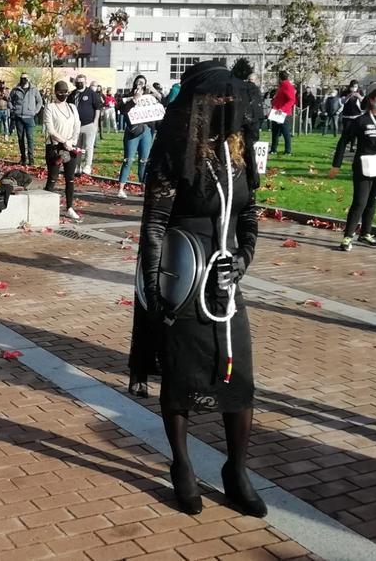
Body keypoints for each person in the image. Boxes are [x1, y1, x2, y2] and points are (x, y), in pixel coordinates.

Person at [128, 60, 264, 518]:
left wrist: (242, 260)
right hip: (184, 280)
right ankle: (182, 465)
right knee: (182, 378)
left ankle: (236, 469)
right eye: (221, 98)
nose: (230, 105)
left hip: (225, 280)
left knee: (237, 376)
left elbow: (249, 215)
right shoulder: (173, 148)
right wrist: (155, 293)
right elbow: (154, 224)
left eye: (234, 98)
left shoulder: (238, 149)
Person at [329, 83, 376, 251]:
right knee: (360, 202)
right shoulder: (361, 121)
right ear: (372, 100)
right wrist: (336, 165)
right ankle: (348, 237)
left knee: (373, 201)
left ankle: (366, 233)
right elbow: (343, 142)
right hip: (364, 167)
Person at [43, 80, 82, 221]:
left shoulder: (72, 107)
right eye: (60, 92)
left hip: (70, 146)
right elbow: (51, 129)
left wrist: (71, 141)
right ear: (55, 92)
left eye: (65, 92)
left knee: (70, 179)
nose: (63, 95)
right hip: (55, 146)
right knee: (53, 178)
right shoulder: (50, 107)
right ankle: (43, 206)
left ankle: (70, 207)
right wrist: (63, 141)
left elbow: (77, 125)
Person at [116, 75, 160, 199]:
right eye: (138, 82)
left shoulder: (150, 97)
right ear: (135, 83)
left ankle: (144, 187)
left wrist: (155, 92)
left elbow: (164, 102)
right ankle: (120, 188)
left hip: (146, 130)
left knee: (144, 161)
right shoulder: (127, 96)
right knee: (128, 160)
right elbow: (122, 110)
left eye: (143, 83)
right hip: (133, 131)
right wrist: (134, 99)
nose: (140, 84)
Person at [70, 73, 104, 175]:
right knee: (77, 147)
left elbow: (98, 107)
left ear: (85, 82)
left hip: (89, 124)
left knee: (89, 146)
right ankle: (77, 166)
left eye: (82, 82)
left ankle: (87, 165)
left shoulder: (91, 93)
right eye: (78, 82)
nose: (80, 84)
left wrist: (95, 122)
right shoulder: (72, 94)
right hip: (76, 126)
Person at [9, 74, 43, 166]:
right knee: (20, 138)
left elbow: (40, 101)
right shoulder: (15, 89)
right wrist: (13, 109)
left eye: (25, 78)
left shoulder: (34, 89)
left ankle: (31, 159)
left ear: (28, 79)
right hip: (18, 117)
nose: (23, 80)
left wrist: (35, 111)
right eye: (22, 78)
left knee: (30, 138)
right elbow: (10, 100)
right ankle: (23, 158)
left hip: (29, 117)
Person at [268, 71, 295, 155]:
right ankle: (273, 149)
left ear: (279, 78)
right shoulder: (281, 86)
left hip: (283, 113)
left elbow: (291, 100)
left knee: (285, 132)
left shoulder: (287, 86)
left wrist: (283, 109)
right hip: (277, 111)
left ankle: (288, 150)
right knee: (275, 132)